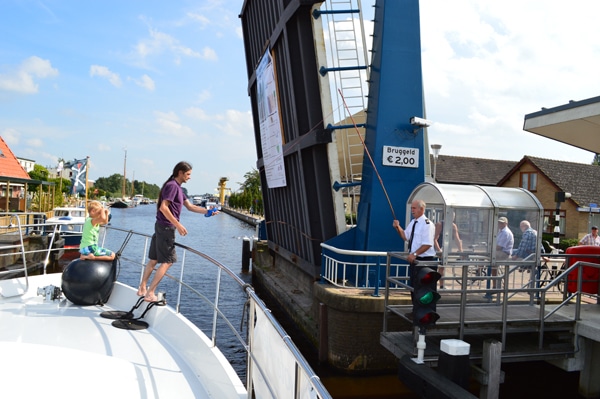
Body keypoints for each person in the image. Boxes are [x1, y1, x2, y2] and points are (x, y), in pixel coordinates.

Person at [137, 161, 219, 302]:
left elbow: (190, 207)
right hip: (166, 228)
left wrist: (208, 212)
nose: (189, 177)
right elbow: (164, 207)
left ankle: (142, 288)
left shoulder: (178, 189)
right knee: (168, 261)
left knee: (154, 259)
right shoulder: (172, 186)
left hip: (161, 226)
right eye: (188, 174)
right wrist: (178, 225)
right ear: (180, 173)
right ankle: (150, 293)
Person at [392, 199, 436, 315]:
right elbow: (405, 236)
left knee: (424, 289)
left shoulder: (427, 224)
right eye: (412, 208)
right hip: (415, 261)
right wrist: (398, 227)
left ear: (421, 209)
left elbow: (427, 244)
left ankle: (426, 313)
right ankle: (416, 311)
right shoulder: (414, 222)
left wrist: (414, 254)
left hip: (424, 261)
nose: (412, 210)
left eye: (414, 208)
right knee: (414, 287)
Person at [485, 216, 514, 299]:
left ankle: (480, 271)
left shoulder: (506, 232)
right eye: (499, 222)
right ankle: (494, 286)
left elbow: (499, 247)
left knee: (488, 258)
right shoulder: (500, 231)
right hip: (499, 252)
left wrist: (489, 249)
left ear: (506, 223)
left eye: (502, 223)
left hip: (504, 253)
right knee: (492, 264)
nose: (500, 224)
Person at [434, 214, 463, 289]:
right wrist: (439, 251)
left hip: (444, 248)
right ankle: (432, 284)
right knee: (433, 267)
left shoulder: (453, 226)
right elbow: (434, 239)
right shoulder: (440, 224)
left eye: (453, 217)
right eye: (450, 216)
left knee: (442, 266)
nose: (452, 218)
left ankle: (441, 285)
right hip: (435, 248)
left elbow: (457, 239)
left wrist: (461, 250)